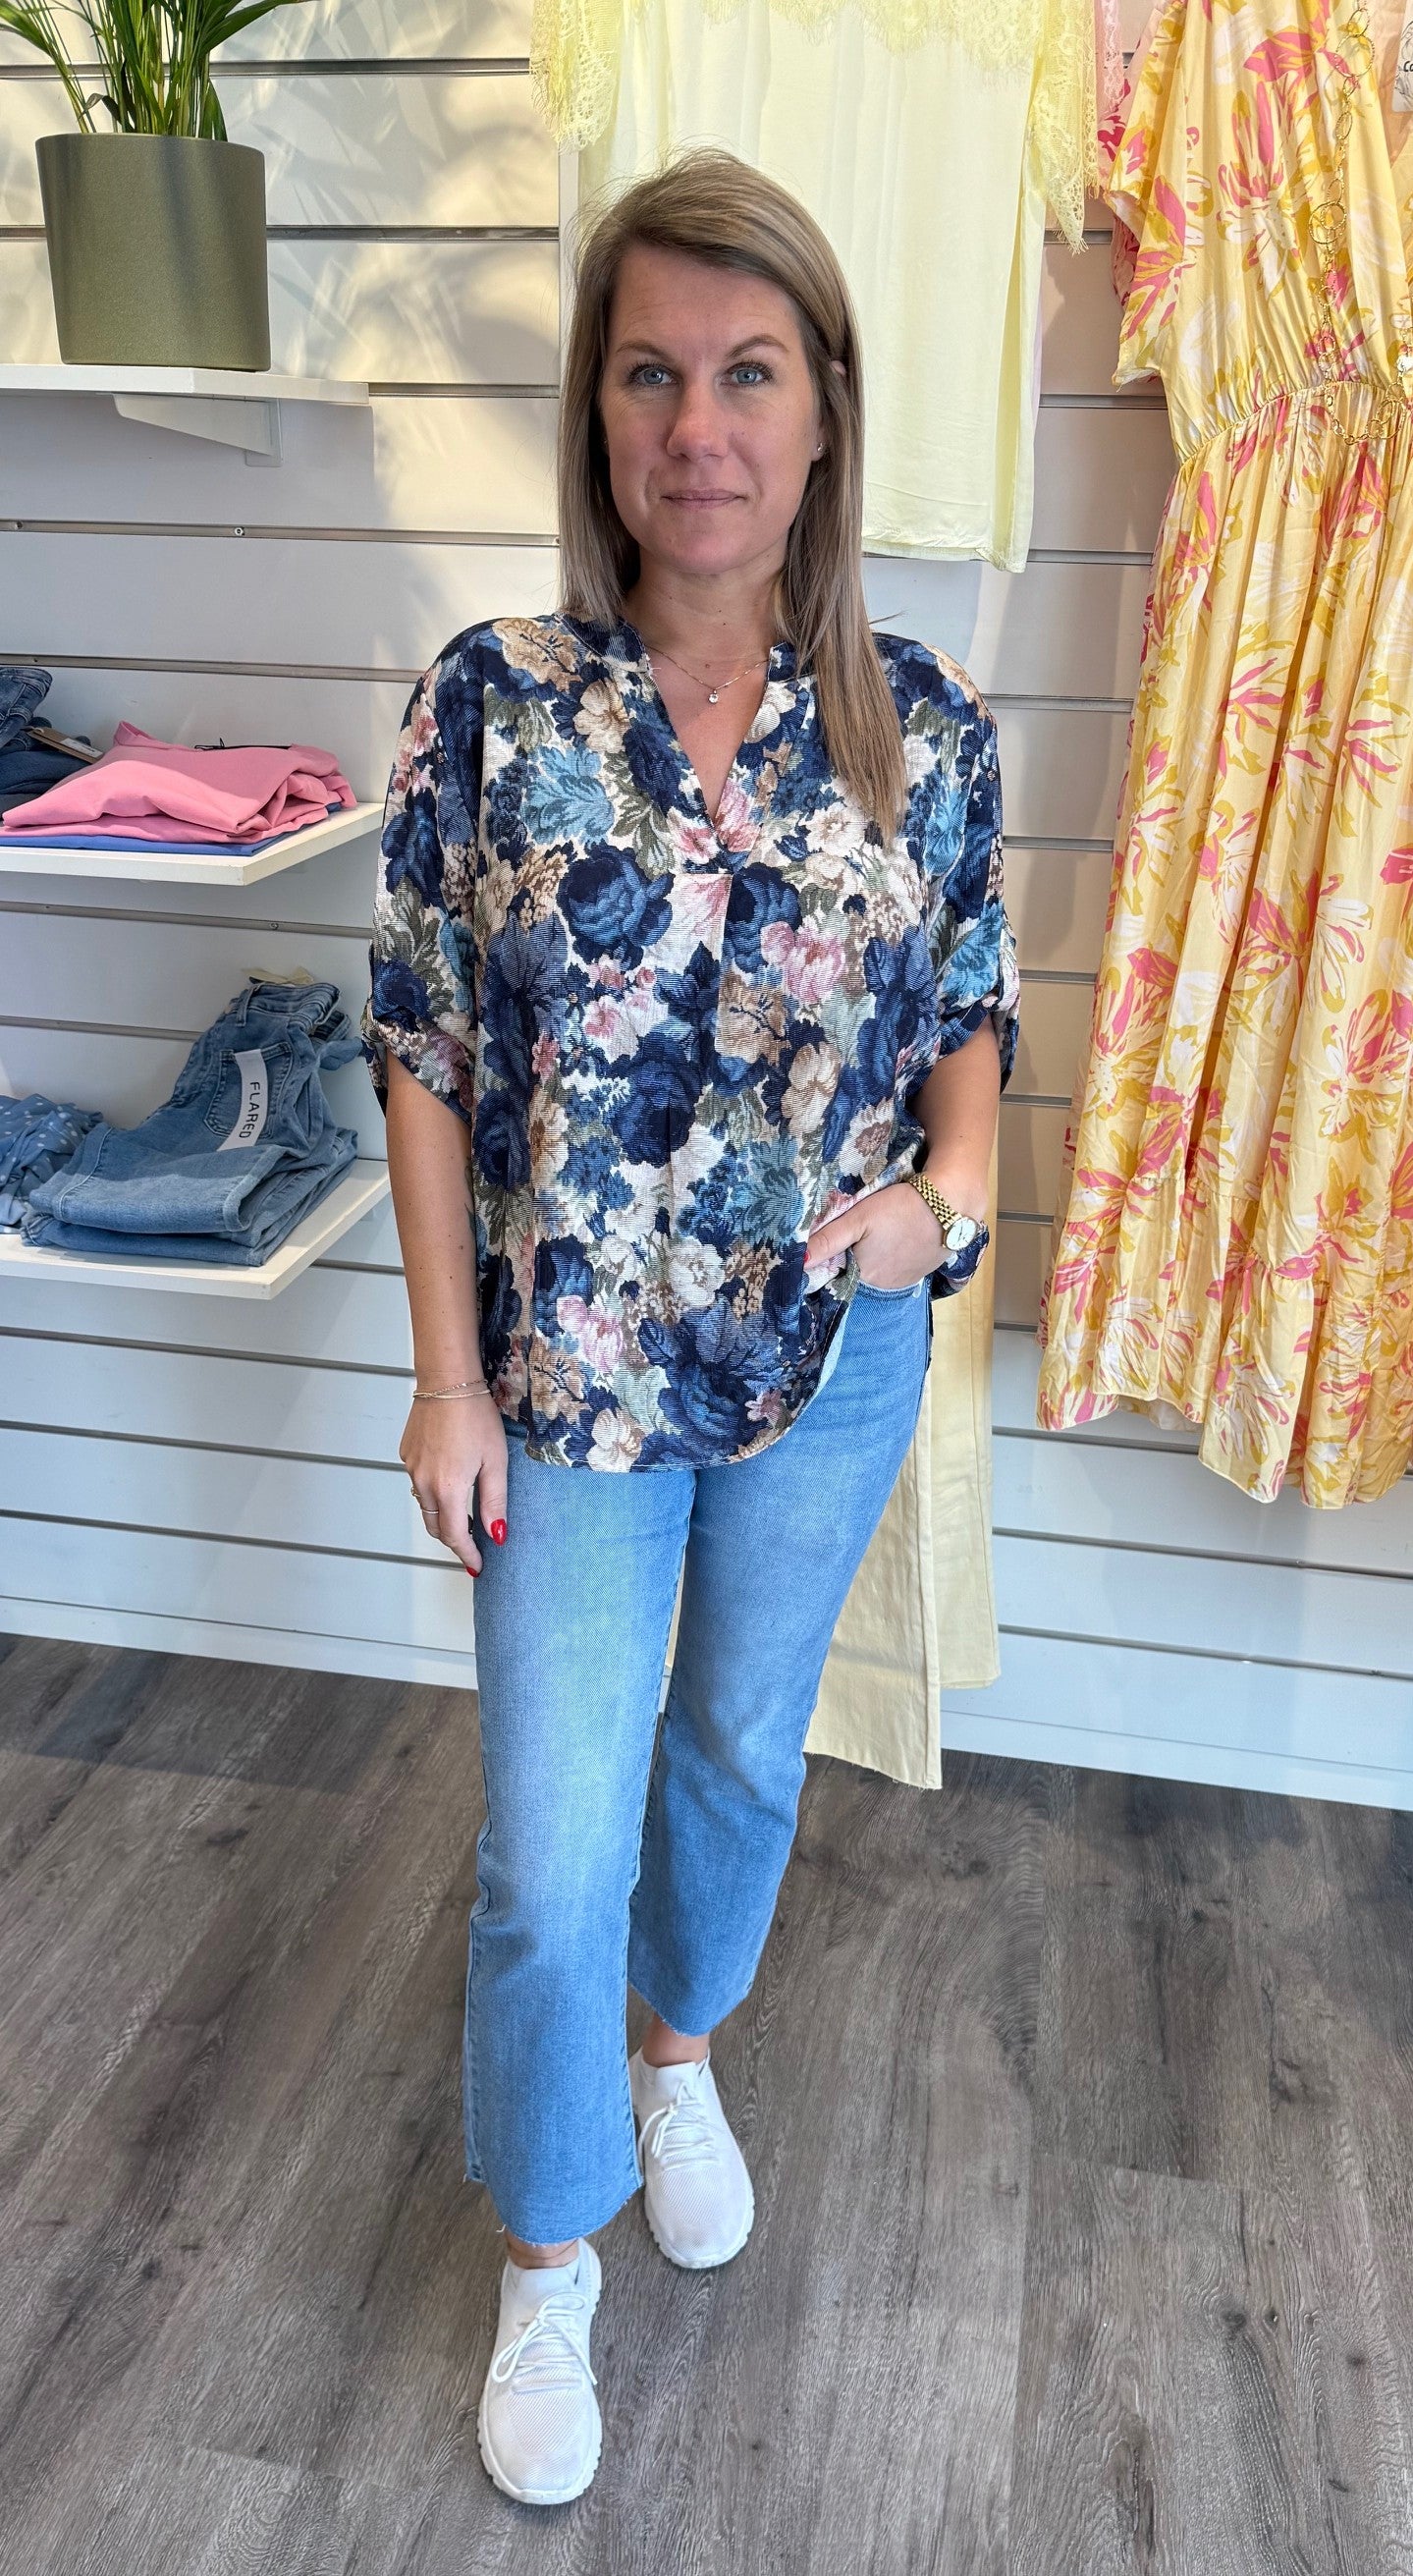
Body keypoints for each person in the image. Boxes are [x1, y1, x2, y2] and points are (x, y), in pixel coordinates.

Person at [361, 145, 1018, 2508]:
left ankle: (675, 2056)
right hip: (563, 1382)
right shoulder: (493, 707)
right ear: (597, 413)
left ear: (824, 409)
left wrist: (945, 1203)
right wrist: (445, 1377)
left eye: (747, 373)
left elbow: (972, 1019)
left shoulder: (925, 728)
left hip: (823, 1370)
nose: (698, 426)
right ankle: (550, 2251)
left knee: (738, 1756)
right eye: (649, 375)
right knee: (549, 1845)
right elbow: (424, 1047)